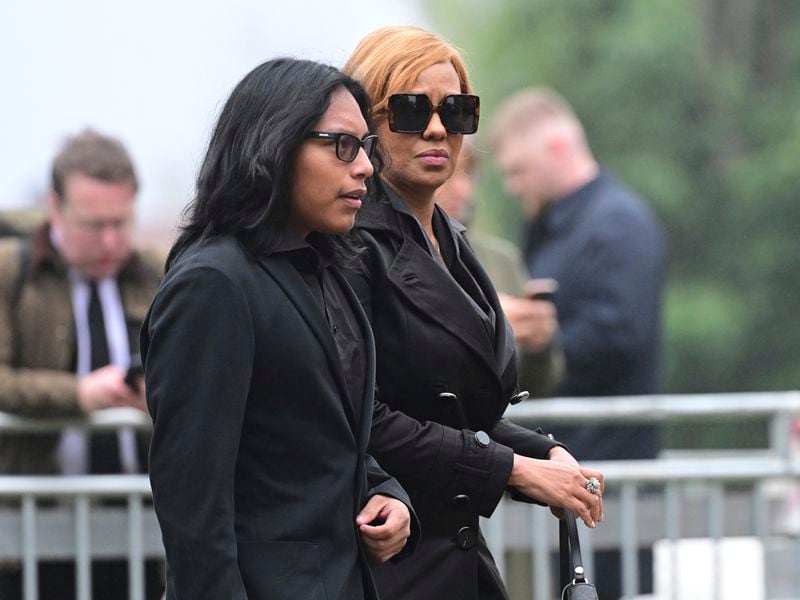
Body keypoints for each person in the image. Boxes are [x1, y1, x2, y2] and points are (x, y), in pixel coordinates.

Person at [343, 26, 604, 600]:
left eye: (457, 110)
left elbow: (460, 410)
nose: (438, 128)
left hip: (454, 553)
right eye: (410, 111)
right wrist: (512, 469)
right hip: (386, 560)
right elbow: (363, 417)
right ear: (365, 124)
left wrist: (543, 451)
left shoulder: (450, 240)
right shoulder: (350, 244)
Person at [141, 58, 417, 600]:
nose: (363, 166)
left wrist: (389, 493)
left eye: (367, 147)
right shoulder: (213, 284)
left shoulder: (325, 267)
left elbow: (326, 437)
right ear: (273, 145)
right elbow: (193, 506)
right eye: (341, 145)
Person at [491, 87, 666, 599]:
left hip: (608, 468)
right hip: (566, 468)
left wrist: (534, 346)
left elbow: (620, 336)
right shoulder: (559, 227)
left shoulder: (618, 224)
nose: (511, 183)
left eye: (518, 168)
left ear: (557, 147)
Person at [0, 129, 164, 598]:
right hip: (32, 529)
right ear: (55, 208)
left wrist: (153, 397)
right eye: (94, 225)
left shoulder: (161, 272)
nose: (111, 241)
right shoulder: (11, 272)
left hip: (143, 525)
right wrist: (79, 396)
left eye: (122, 222)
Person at [434, 139, 564, 398]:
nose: (462, 189)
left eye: (469, 174)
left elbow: (539, 385)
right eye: (447, 174)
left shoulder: (503, 261)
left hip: (499, 431)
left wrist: (539, 346)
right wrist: (491, 328)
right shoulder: (390, 256)